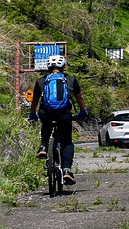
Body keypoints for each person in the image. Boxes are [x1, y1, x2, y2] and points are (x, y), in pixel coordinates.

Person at [27, 55, 88, 185]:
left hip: (46, 114)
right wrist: (83, 111)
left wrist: (32, 114)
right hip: (64, 115)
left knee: (46, 126)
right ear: (63, 66)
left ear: (48, 67)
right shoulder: (70, 79)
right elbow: (79, 97)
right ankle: (66, 170)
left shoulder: (41, 81)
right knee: (67, 142)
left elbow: (35, 100)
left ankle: (43, 147)